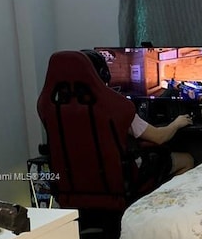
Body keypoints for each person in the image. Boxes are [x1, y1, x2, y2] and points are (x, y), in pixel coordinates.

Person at [81, 49, 194, 178]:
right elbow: (159, 137)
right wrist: (176, 123)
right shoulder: (118, 108)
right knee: (187, 160)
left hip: (81, 177)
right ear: (104, 75)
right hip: (123, 175)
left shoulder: (57, 111)